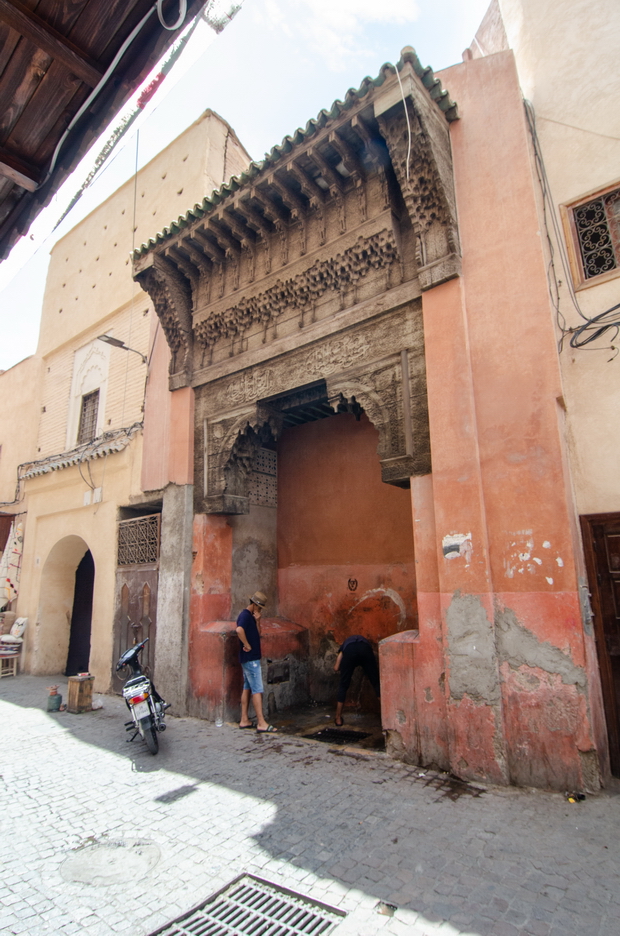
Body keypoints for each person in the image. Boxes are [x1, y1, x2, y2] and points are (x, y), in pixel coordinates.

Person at [236, 591, 277, 733]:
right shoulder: (245, 616)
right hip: (251, 659)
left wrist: (258, 620)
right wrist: (246, 645)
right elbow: (239, 630)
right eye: (259, 608)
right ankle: (261, 722)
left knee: (247, 688)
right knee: (257, 689)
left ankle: (244, 719)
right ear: (254, 605)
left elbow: (258, 634)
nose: (260, 610)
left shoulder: (251, 618)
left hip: (250, 658)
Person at [333, 634, 380, 727]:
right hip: (365, 651)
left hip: (349, 652)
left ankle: (338, 718)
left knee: (343, 685)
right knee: (376, 683)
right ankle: (387, 717)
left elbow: (336, 667)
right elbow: (373, 658)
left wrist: (342, 667)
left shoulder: (344, 647)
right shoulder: (366, 644)